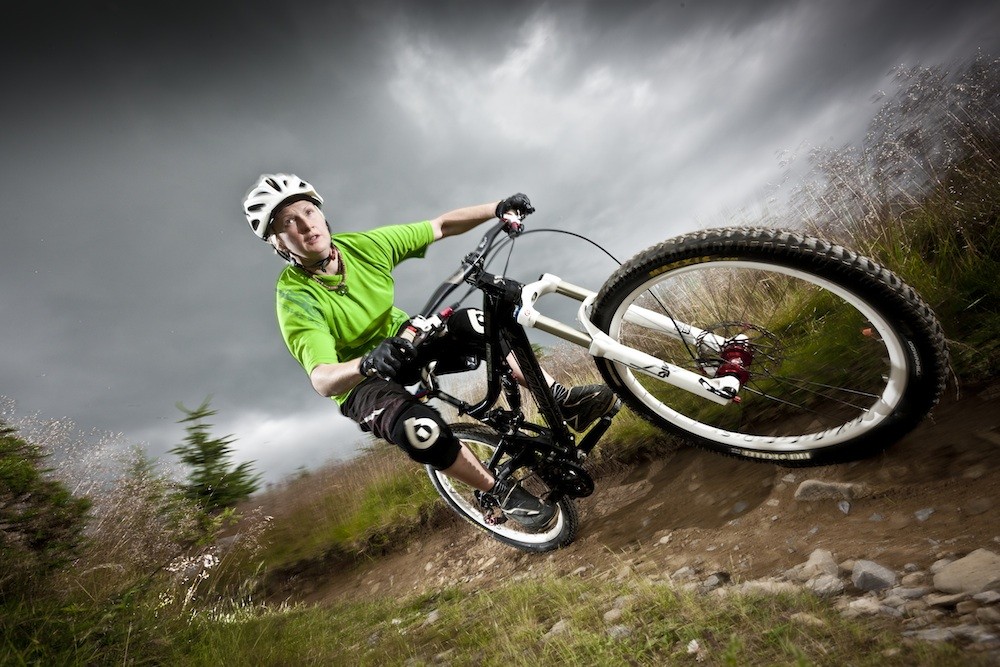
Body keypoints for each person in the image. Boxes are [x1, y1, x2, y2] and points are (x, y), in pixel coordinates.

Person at [243, 173, 616, 528]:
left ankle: (561, 402)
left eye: (308, 212)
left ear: (321, 214)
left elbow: (440, 226)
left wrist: (497, 207)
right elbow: (323, 379)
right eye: (288, 222)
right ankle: (499, 491)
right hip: (358, 381)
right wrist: (368, 363)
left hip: (406, 342)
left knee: (476, 322)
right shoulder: (294, 298)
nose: (306, 225)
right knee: (419, 429)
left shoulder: (363, 248)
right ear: (277, 242)